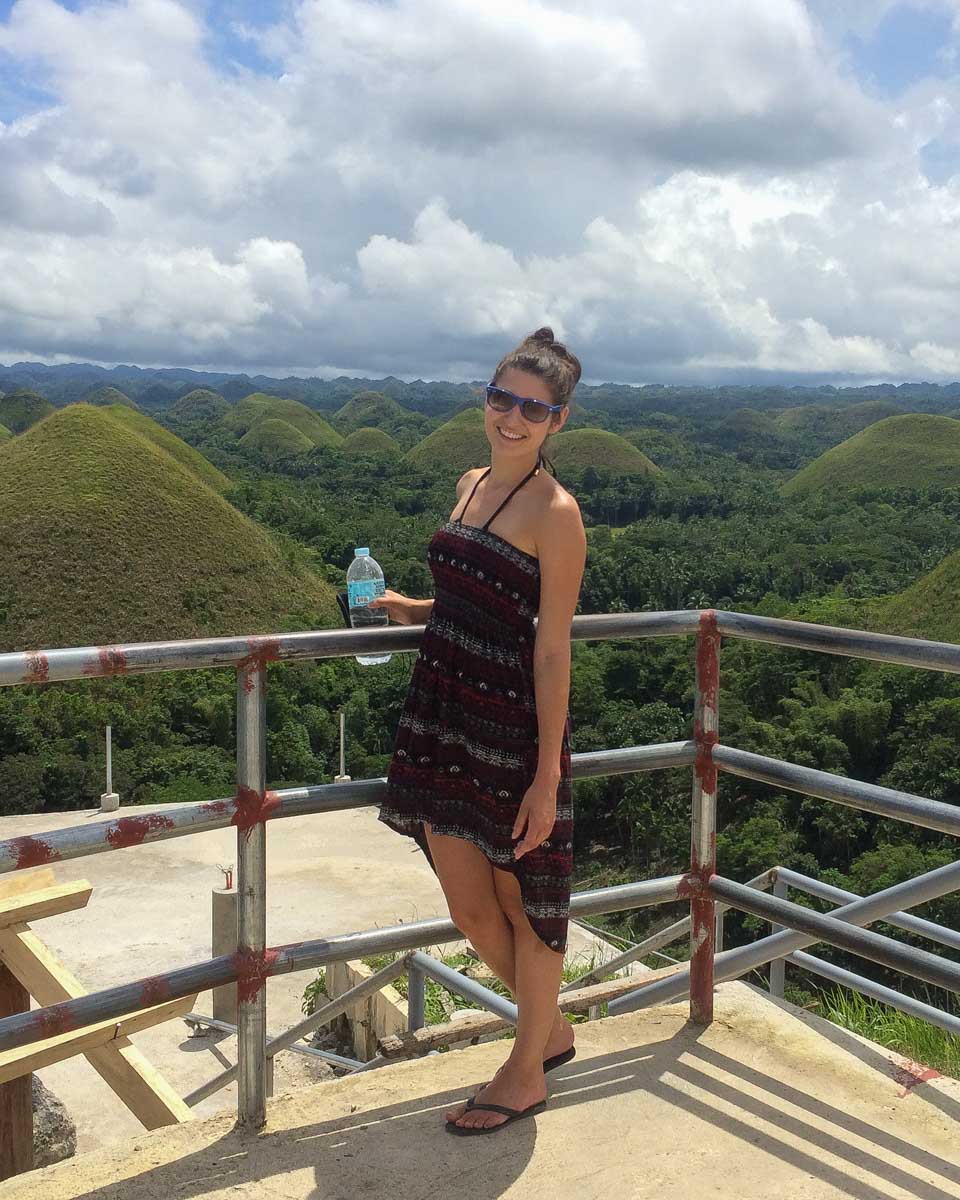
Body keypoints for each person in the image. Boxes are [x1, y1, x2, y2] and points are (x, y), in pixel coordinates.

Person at [367, 327, 587, 1135]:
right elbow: (473, 590)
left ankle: (526, 1067)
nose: (514, 417)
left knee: (524, 901)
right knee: (469, 904)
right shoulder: (469, 483)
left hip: (513, 726)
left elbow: (553, 644)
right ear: (485, 398)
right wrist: (414, 610)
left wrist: (546, 777)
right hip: (445, 712)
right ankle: (549, 1028)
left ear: (558, 420)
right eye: (503, 398)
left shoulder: (556, 513)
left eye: (535, 407)